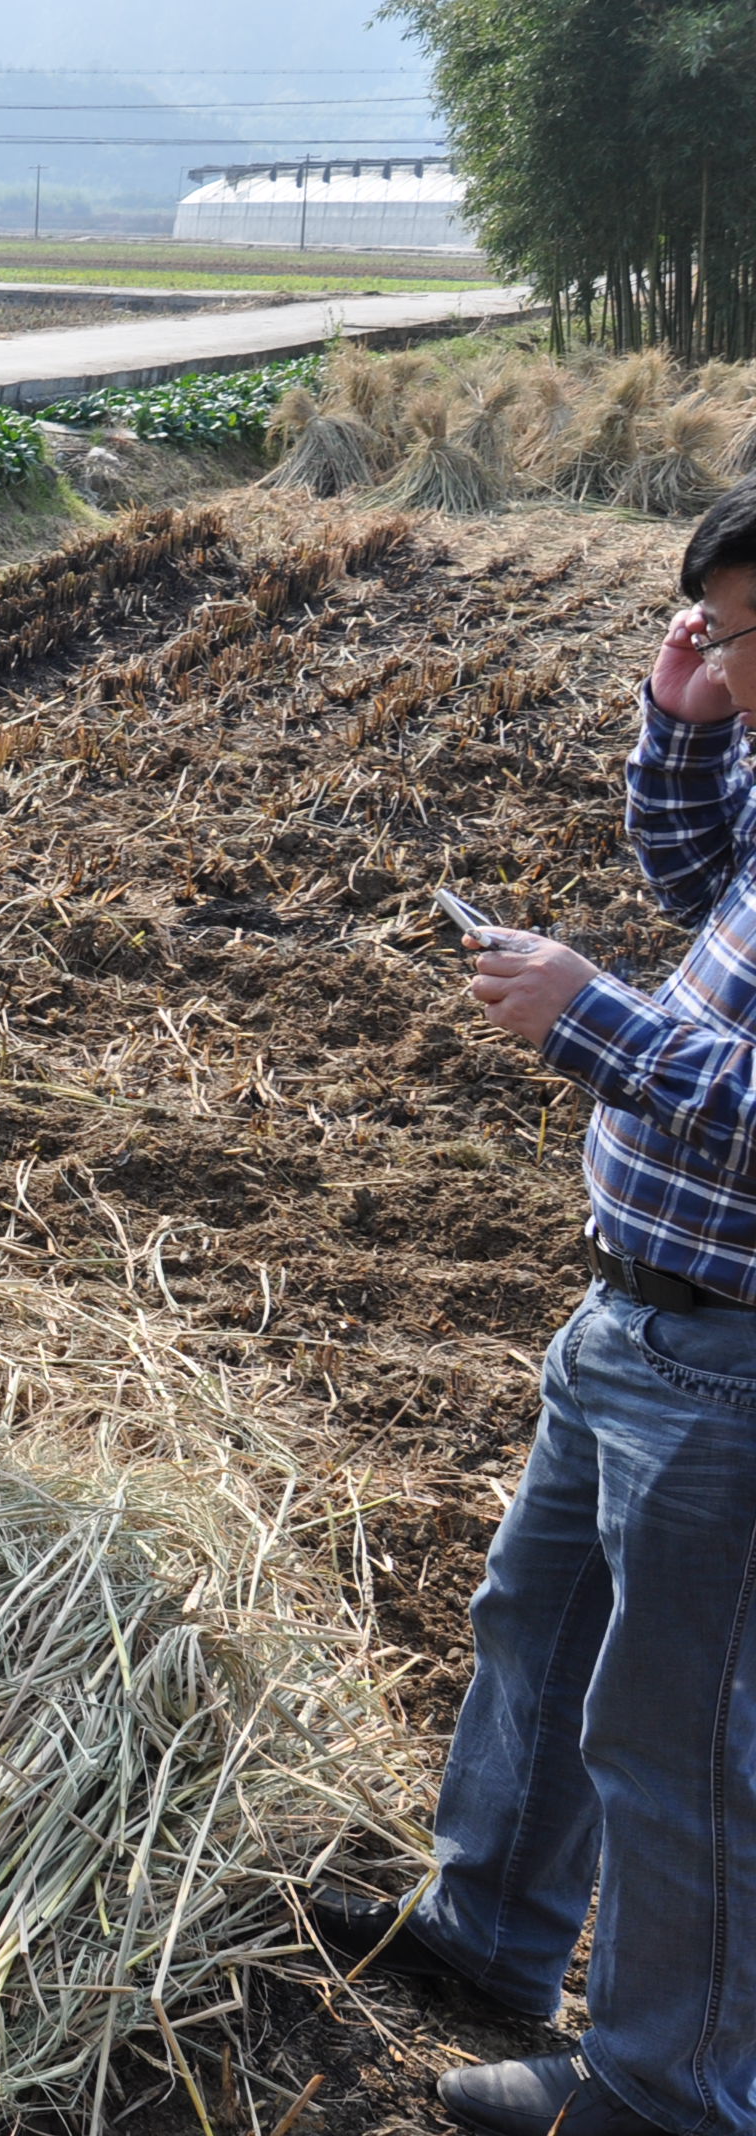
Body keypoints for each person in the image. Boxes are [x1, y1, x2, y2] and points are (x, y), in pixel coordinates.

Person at [306, 479, 756, 2136]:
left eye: (748, 634)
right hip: (633, 1314)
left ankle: (663, 2093)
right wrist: (681, 724)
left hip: (731, 1356)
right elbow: (702, 875)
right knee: (535, 1627)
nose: (735, 659)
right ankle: (488, 1938)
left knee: (683, 1743)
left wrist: (596, 1025)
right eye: (716, 630)